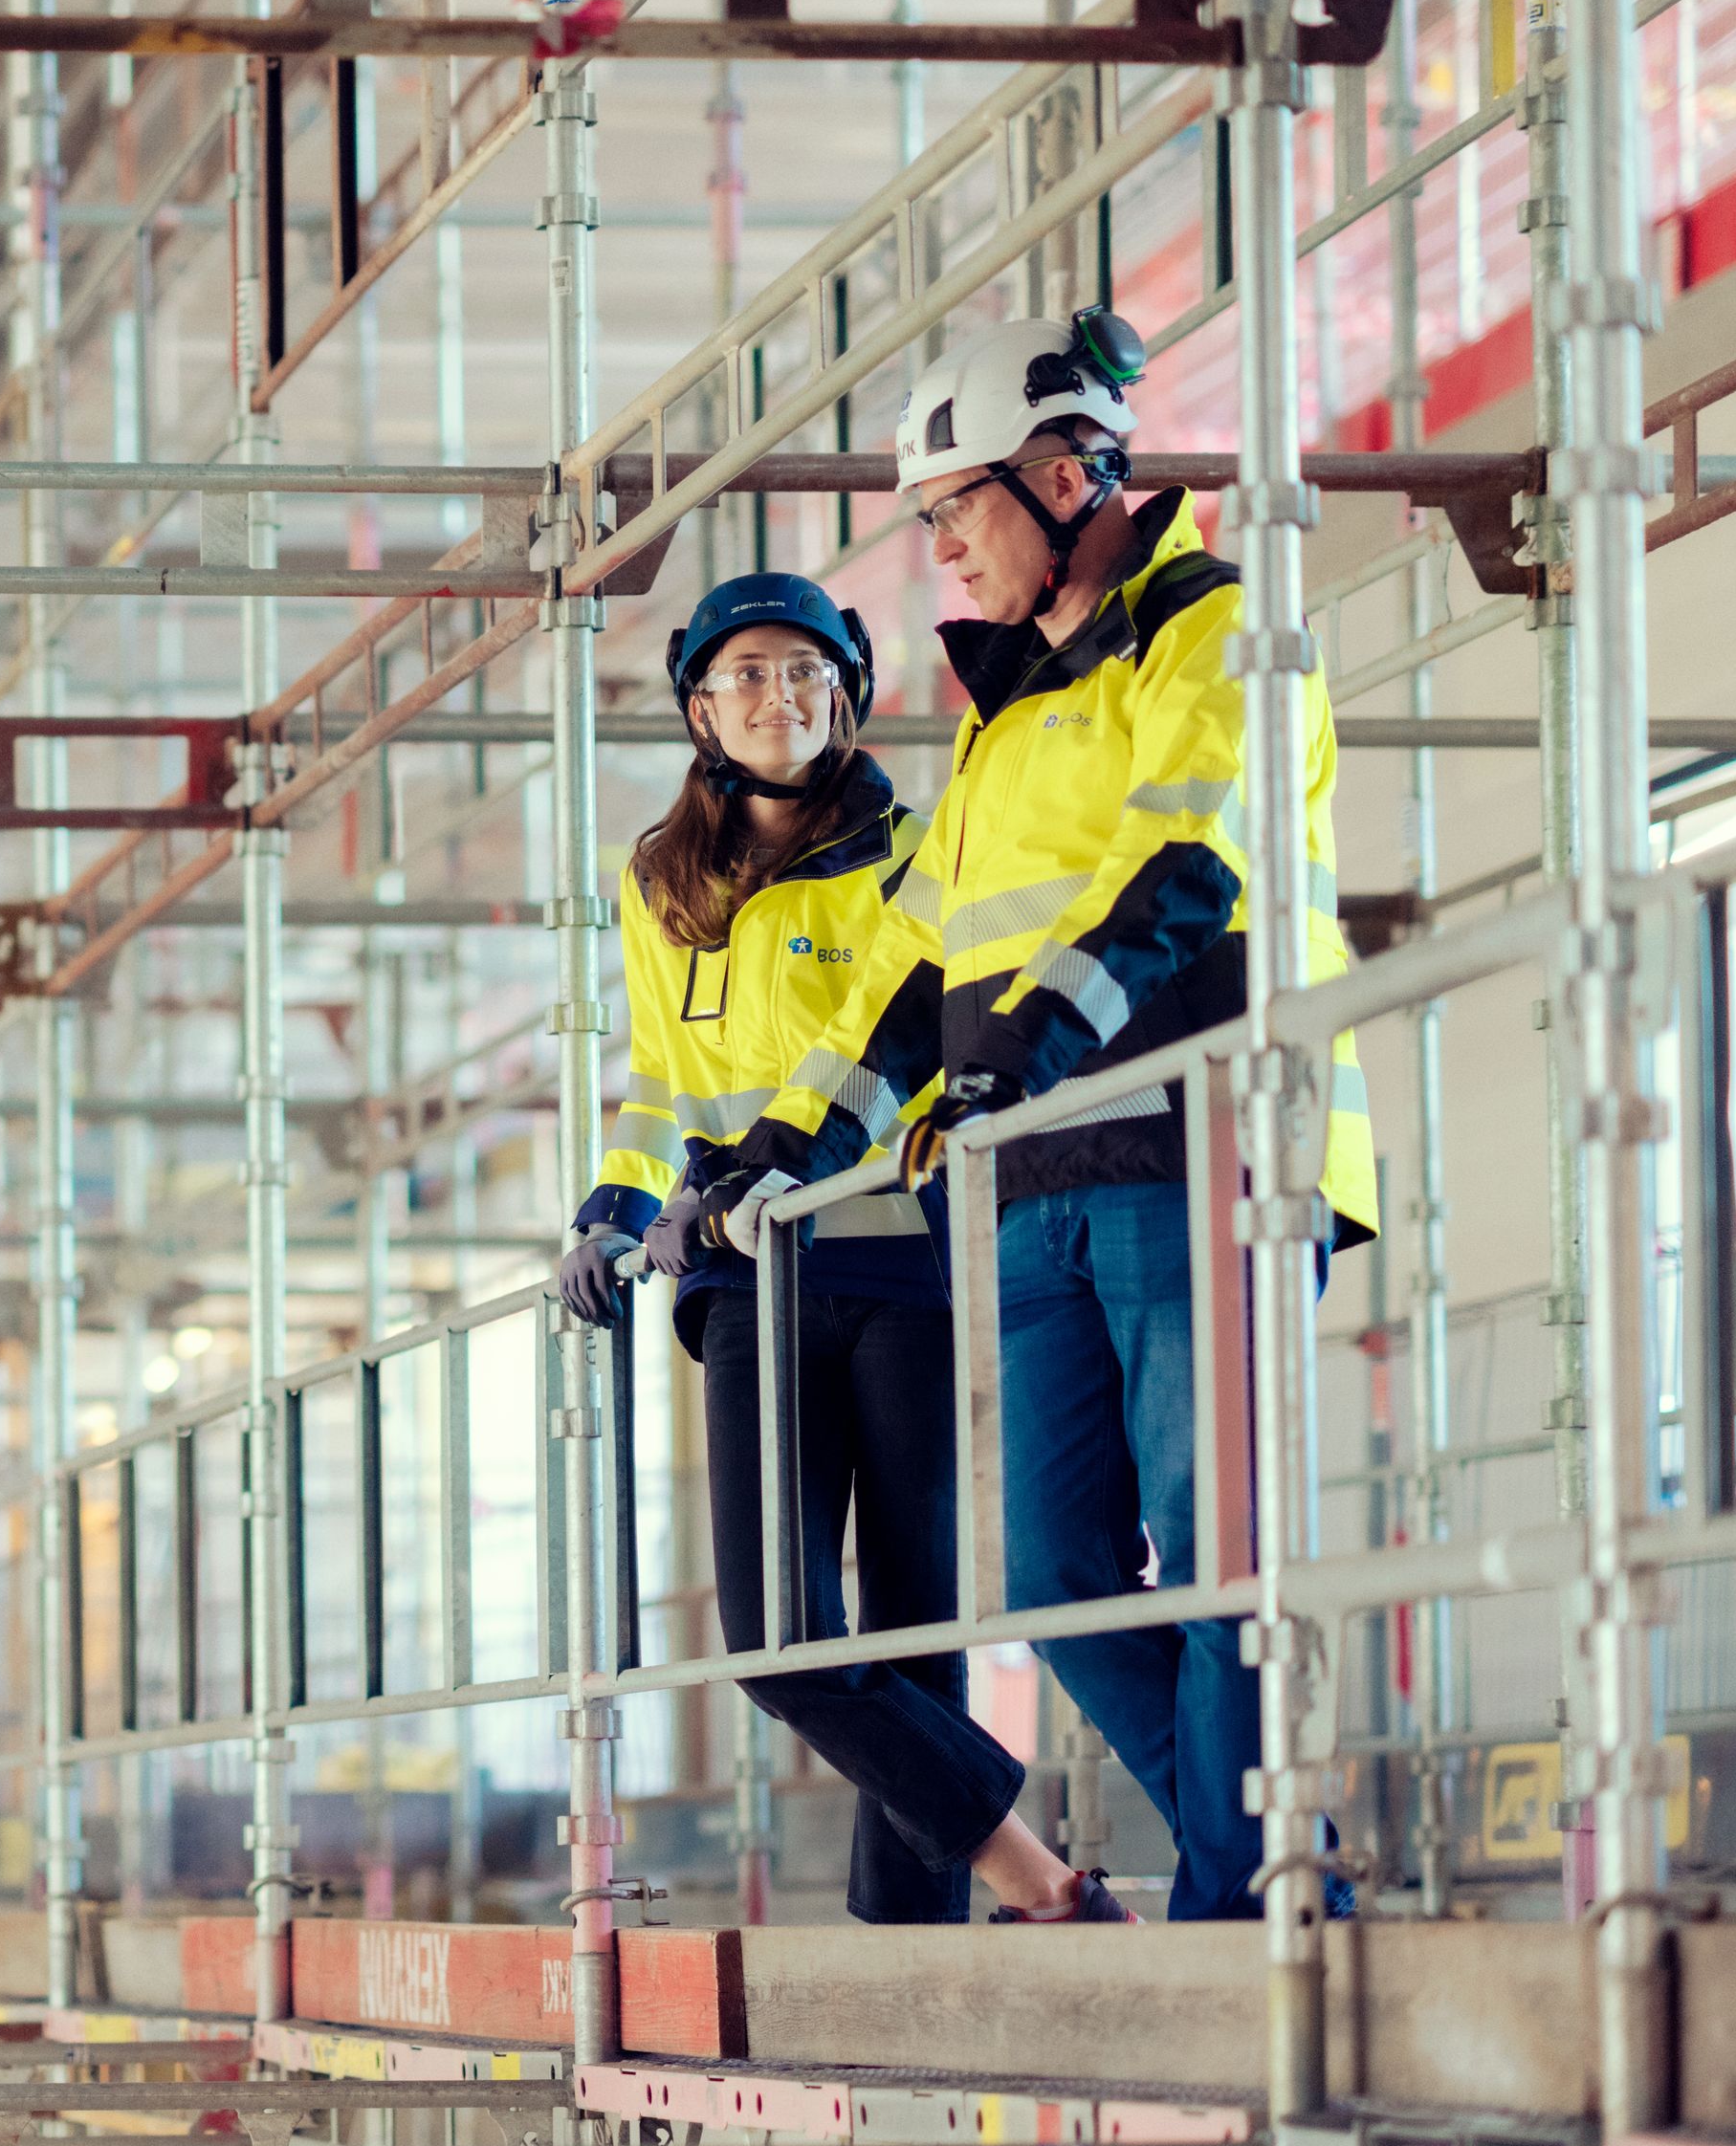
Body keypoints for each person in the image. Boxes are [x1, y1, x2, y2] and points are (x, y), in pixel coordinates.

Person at [651, 313, 1376, 1923]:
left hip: (1210, 1150)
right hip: (1035, 1184)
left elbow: (1196, 869)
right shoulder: (1007, 708)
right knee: (1050, 1585)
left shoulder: (1216, 634)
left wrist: (1032, 1046)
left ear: (1063, 479)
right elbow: (917, 965)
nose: (939, 550)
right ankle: (1256, 1865)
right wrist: (791, 1143)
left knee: (1212, 1558)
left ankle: (1239, 1912)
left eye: (954, 510)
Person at [557, 571, 1123, 1926]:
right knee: (780, 1643)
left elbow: (908, 1052)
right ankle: (1039, 1877)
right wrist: (617, 1201)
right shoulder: (656, 880)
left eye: (804, 673)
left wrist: (788, 1161)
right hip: (747, 1277)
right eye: (746, 674)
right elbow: (661, 1081)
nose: (778, 696)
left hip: (904, 1261)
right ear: (700, 706)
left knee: (917, 1627)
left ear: (846, 695)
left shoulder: (922, 851)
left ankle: (909, 1951)